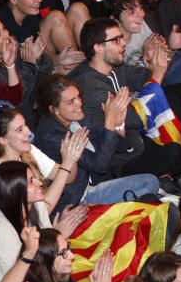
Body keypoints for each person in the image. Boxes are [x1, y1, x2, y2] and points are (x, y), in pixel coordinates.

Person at [69, 17, 179, 178]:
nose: (123, 43)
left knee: (176, 98)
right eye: (116, 40)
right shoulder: (88, 86)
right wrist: (158, 74)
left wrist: (153, 60)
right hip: (119, 161)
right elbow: (136, 118)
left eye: (121, 38)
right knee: (175, 152)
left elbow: (147, 77)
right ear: (98, 47)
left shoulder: (114, 68)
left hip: (136, 141)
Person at [33, 74, 159, 209]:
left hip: (97, 182)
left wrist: (118, 125)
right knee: (148, 192)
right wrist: (109, 120)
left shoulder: (77, 116)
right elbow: (100, 165)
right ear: (54, 109)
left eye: (78, 97)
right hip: (78, 199)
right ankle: (103, 213)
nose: (79, 103)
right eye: (71, 102)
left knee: (150, 181)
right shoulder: (51, 136)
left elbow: (119, 146)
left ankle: (115, 210)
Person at [0, 0, 81, 62]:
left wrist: (58, 59)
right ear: (13, 0)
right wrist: (58, 61)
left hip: (34, 60)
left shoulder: (30, 14)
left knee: (61, 14)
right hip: (17, 68)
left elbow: (38, 48)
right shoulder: (1, 23)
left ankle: (78, 65)